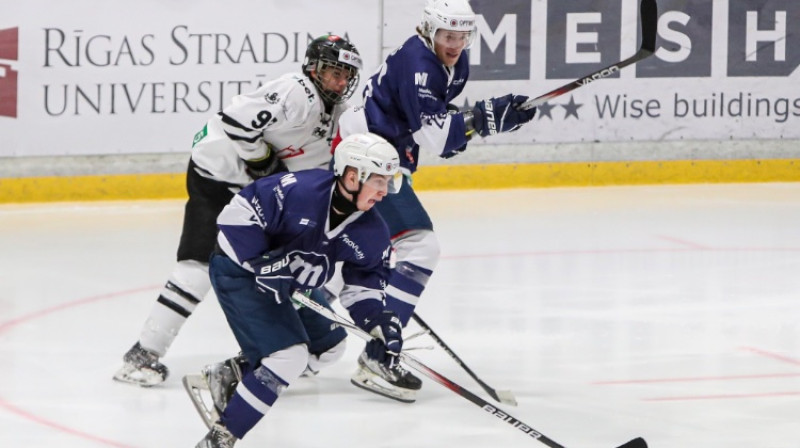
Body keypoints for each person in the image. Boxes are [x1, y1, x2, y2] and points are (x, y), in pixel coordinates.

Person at [113, 34, 362, 386]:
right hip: (219, 178)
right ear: (313, 68)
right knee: (197, 268)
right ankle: (143, 353)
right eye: (332, 72)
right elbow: (234, 122)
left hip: (256, 196)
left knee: (276, 270)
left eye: (345, 76)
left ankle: (279, 356)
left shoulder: (338, 115)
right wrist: (263, 163)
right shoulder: (295, 91)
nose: (339, 81)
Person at [334, 0, 537, 402]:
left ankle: (312, 337)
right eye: (448, 35)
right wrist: (485, 119)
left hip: (383, 153)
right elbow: (440, 137)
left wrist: (484, 120)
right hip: (363, 155)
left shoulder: (453, 64)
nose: (456, 43)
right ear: (429, 31)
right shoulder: (420, 63)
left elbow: (441, 135)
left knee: (360, 253)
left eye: (463, 36)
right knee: (418, 245)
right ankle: (377, 356)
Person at [189, 133, 407, 448]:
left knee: (329, 347)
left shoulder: (372, 232)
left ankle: (234, 372)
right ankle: (221, 437)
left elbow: (364, 285)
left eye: (388, 182)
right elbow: (234, 216)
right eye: (378, 181)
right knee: (288, 358)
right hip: (241, 272)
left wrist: (377, 322)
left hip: (290, 284)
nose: (384, 192)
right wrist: (261, 262)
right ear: (350, 176)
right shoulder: (299, 190)